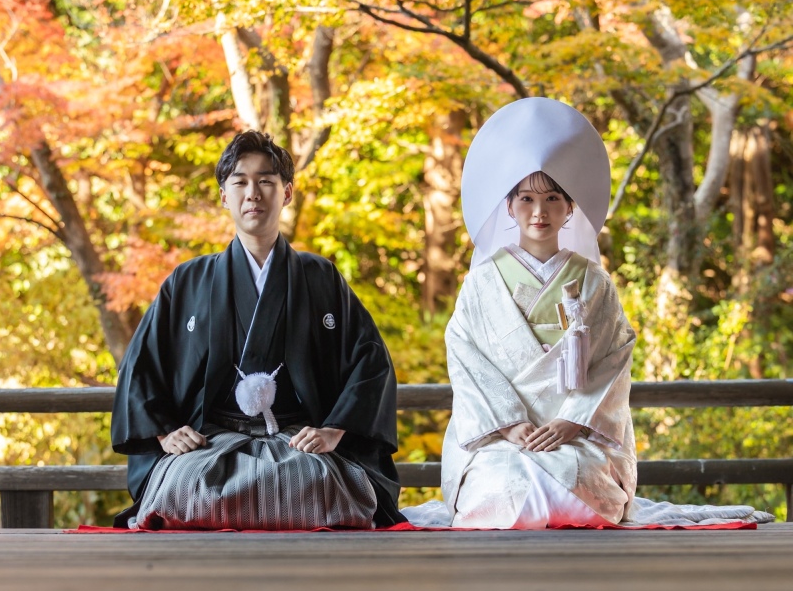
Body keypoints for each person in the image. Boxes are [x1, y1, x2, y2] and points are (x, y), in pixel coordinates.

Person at [418, 98, 771, 530]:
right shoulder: (481, 283)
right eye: (526, 198)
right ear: (508, 207)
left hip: (576, 436)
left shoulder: (594, 282)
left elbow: (613, 359)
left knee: (583, 484)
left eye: (552, 198)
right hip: (501, 440)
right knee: (502, 484)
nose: (539, 211)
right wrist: (509, 425)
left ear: (570, 208)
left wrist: (572, 421)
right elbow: (466, 355)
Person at [111, 131, 403, 529]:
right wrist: (163, 433)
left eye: (266, 181)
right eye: (240, 182)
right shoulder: (188, 280)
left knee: (318, 482)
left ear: (286, 193)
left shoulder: (320, 277)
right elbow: (140, 366)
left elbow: (371, 360)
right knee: (184, 484)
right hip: (211, 442)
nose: (253, 193)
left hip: (296, 441)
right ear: (223, 196)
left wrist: (336, 429)